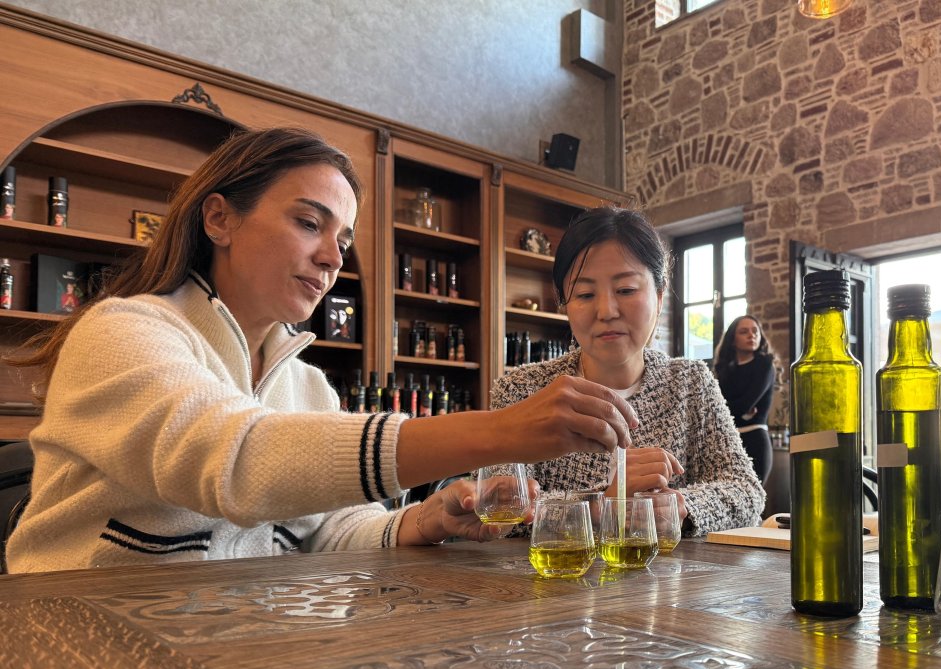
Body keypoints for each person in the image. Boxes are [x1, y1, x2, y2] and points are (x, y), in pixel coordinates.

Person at [4, 127, 637, 574]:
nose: (334, 258)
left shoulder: (308, 386)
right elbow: (234, 460)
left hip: (229, 651)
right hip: (77, 653)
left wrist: (426, 519)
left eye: (343, 238)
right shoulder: (119, 332)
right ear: (219, 219)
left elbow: (331, 531)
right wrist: (498, 433)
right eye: (310, 224)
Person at [490, 206, 764, 535]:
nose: (606, 311)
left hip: (672, 585)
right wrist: (604, 504)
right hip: (550, 585)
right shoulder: (522, 389)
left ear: (660, 296)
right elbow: (498, 509)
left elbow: (748, 492)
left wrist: (679, 505)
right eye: (585, 294)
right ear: (565, 305)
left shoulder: (690, 382)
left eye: (626, 290)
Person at [712, 314, 776, 483]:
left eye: (755, 331)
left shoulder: (765, 364)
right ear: (733, 340)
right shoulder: (725, 369)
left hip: (755, 440)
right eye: (744, 331)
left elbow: (743, 404)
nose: (751, 335)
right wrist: (738, 411)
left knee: (754, 502)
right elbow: (716, 407)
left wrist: (731, 408)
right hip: (728, 442)